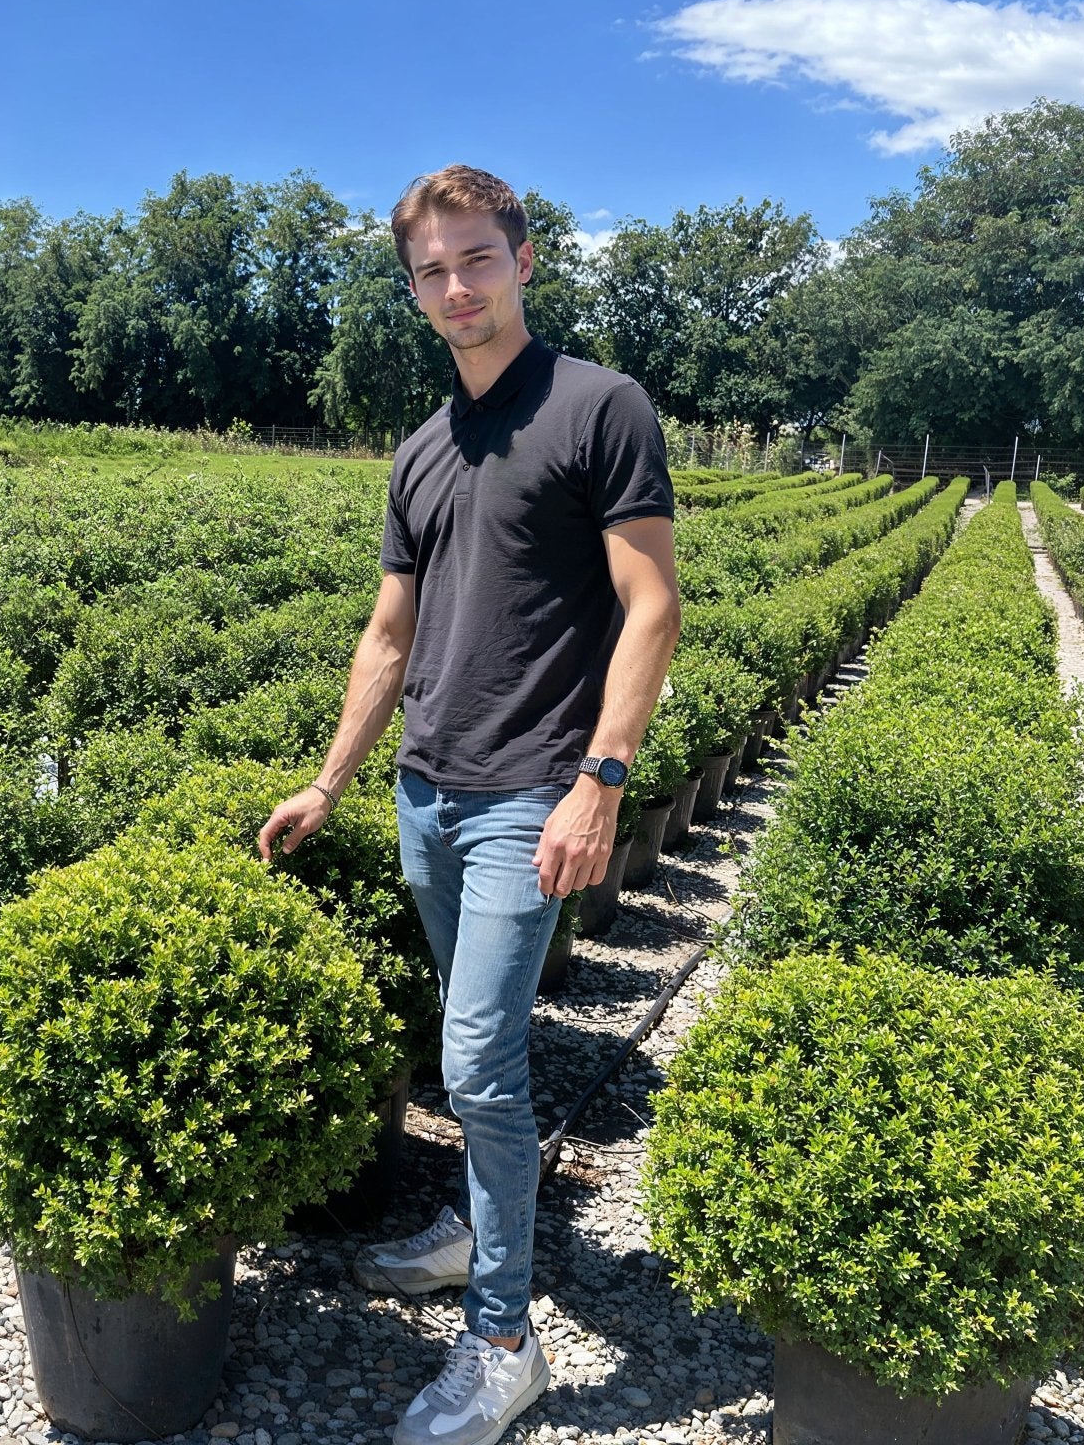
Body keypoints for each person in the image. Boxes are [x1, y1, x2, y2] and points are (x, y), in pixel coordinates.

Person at [257, 164, 681, 1445]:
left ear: (523, 259)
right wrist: (329, 778)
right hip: (424, 793)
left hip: (530, 793)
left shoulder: (599, 406)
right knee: (465, 1044)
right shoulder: (420, 451)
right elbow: (386, 637)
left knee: (477, 1058)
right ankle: (478, 1229)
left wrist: (599, 781)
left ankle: (501, 1339)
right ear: (413, 290)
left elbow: (651, 606)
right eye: (432, 272)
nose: (457, 288)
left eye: (476, 260)